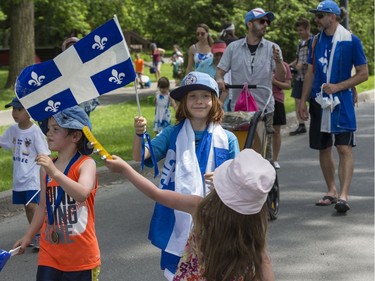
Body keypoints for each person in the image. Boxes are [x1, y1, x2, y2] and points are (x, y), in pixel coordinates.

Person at [105, 148, 275, 281]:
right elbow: (264, 261)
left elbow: (156, 193)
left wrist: (125, 169)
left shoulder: (201, 208)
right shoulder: (253, 225)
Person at [132, 71, 240, 280]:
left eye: (205, 96)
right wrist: (139, 134)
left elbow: (239, 179)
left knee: (217, 270)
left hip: (217, 218)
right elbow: (140, 156)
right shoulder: (172, 134)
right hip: (178, 217)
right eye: (192, 96)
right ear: (183, 102)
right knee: (179, 272)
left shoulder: (228, 139)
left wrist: (222, 178)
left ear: (215, 101)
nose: (199, 101)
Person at [13, 106, 101, 280]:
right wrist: (28, 236)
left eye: (56, 129)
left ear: (75, 136)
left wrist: (55, 173)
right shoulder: (46, 169)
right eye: (48, 128)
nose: (48, 133)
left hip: (81, 256)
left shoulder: (86, 164)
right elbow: (43, 207)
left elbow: (82, 193)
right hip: (50, 253)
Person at [298, 0, 368, 213]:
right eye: (316, 16)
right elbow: (310, 72)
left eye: (320, 16)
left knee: (344, 147)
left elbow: (363, 73)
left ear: (333, 16)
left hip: (342, 102)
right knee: (323, 147)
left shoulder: (351, 40)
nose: (316, 20)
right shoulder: (314, 41)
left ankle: (344, 196)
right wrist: (302, 100)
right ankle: (332, 190)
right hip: (319, 101)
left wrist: (340, 86)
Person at [216, 7, 286, 160]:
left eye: (267, 22)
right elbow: (220, 71)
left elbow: (280, 77)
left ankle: (267, 176)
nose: (265, 24)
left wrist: (278, 61)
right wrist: (220, 80)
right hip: (240, 109)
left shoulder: (272, 48)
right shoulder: (233, 48)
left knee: (264, 151)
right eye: (262, 21)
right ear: (249, 24)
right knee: (241, 149)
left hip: (264, 107)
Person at [0, 97, 50, 251]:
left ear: (29, 112)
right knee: (27, 207)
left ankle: (42, 236)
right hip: (19, 178)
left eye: (19, 109)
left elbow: (44, 153)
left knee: (32, 206)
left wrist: (47, 173)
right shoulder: (12, 130)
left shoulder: (35, 132)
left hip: (33, 178)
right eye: (13, 109)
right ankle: (36, 234)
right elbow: (3, 143)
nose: (15, 113)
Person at [61, 37, 100, 116]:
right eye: (69, 49)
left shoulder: (86, 62)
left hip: (84, 99)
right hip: (69, 101)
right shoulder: (62, 65)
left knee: (84, 121)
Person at [289, 17, 313, 136]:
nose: (299, 33)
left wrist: (302, 65)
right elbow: (298, 59)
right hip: (299, 77)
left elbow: (313, 60)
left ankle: (314, 122)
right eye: (298, 30)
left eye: (302, 30)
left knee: (312, 101)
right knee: (297, 100)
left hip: (309, 77)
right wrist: (289, 66)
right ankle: (301, 124)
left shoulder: (313, 41)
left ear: (308, 29)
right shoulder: (300, 44)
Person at [196, 40, 231, 111]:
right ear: (212, 52)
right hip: (206, 103)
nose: (219, 57)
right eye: (216, 54)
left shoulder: (231, 65)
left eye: (221, 54)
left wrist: (219, 105)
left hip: (225, 105)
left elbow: (227, 90)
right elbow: (196, 79)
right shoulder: (204, 64)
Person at [272, 62, 292, 169]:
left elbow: (288, 85)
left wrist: (274, 82)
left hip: (277, 100)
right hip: (261, 100)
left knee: (276, 131)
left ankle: (274, 159)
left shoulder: (284, 65)